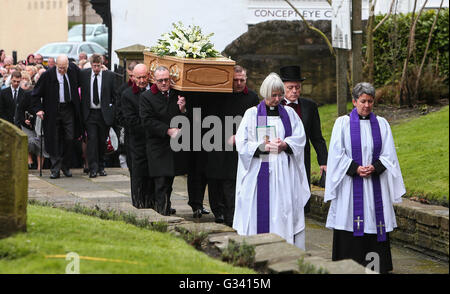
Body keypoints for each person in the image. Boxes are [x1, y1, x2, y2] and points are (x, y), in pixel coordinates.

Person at [324, 82, 406, 273]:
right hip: (350, 187)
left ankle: (376, 267)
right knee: (349, 224)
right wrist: (355, 168)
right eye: (362, 101)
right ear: (354, 101)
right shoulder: (342, 124)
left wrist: (374, 167)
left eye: (370, 101)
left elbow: (389, 154)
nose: (367, 105)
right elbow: (336, 154)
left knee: (375, 224)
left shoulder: (382, 124)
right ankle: (347, 267)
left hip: (375, 183)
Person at [233, 72, 310, 250]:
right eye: (273, 95)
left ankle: (285, 248)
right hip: (259, 171)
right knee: (259, 211)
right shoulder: (252, 114)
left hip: (284, 173)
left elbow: (300, 138)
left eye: (280, 95)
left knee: (283, 210)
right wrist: (263, 147)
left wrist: (285, 144)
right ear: (264, 94)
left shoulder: (289, 114)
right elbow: (242, 143)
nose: (277, 99)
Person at [206, 65, 259, 226]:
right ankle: (218, 210)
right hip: (218, 141)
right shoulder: (220, 95)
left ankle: (231, 215)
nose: (238, 83)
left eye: (242, 80)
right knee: (215, 179)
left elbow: (255, 121)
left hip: (239, 144)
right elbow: (211, 118)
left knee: (232, 180)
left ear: (246, 79)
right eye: (235, 80)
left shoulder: (252, 97)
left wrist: (241, 136)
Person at [139, 66, 187, 216]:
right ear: (154, 80)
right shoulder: (146, 97)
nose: (164, 83)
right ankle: (161, 212)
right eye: (160, 81)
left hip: (172, 147)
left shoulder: (177, 95)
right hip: (157, 145)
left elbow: (186, 119)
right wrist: (167, 130)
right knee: (160, 182)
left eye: (167, 80)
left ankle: (165, 206)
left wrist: (183, 110)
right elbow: (147, 121)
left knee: (169, 181)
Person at [280, 65, 328, 212]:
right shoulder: (274, 105)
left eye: (297, 87)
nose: (294, 91)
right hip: (280, 158)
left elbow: (317, 137)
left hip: (302, 158)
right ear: (282, 88)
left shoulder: (309, 106)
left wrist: (323, 161)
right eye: (290, 87)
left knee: (301, 199)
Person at [32, 54, 82, 179]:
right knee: (54, 140)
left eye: (64, 67)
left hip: (68, 109)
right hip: (53, 111)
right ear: (55, 65)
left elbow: (83, 81)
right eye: (60, 68)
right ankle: (55, 168)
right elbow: (35, 94)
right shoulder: (47, 75)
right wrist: (38, 109)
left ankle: (65, 165)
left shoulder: (73, 71)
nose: (62, 70)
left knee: (70, 138)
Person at [121, 64, 154, 208]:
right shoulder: (127, 95)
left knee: (154, 174)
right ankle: (138, 203)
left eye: (144, 77)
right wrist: (153, 126)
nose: (141, 80)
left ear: (149, 76)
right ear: (133, 77)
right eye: (138, 77)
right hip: (137, 141)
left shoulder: (155, 91)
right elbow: (130, 120)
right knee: (138, 174)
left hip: (154, 142)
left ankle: (153, 202)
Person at [79, 54, 116, 178]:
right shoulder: (84, 74)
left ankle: (101, 166)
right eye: (94, 66)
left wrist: (112, 111)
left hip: (103, 113)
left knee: (102, 141)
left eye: (98, 66)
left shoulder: (109, 76)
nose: (96, 69)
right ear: (91, 64)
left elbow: (115, 95)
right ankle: (93, 168)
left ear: (102, 64)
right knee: (92, 140)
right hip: (90, 113)